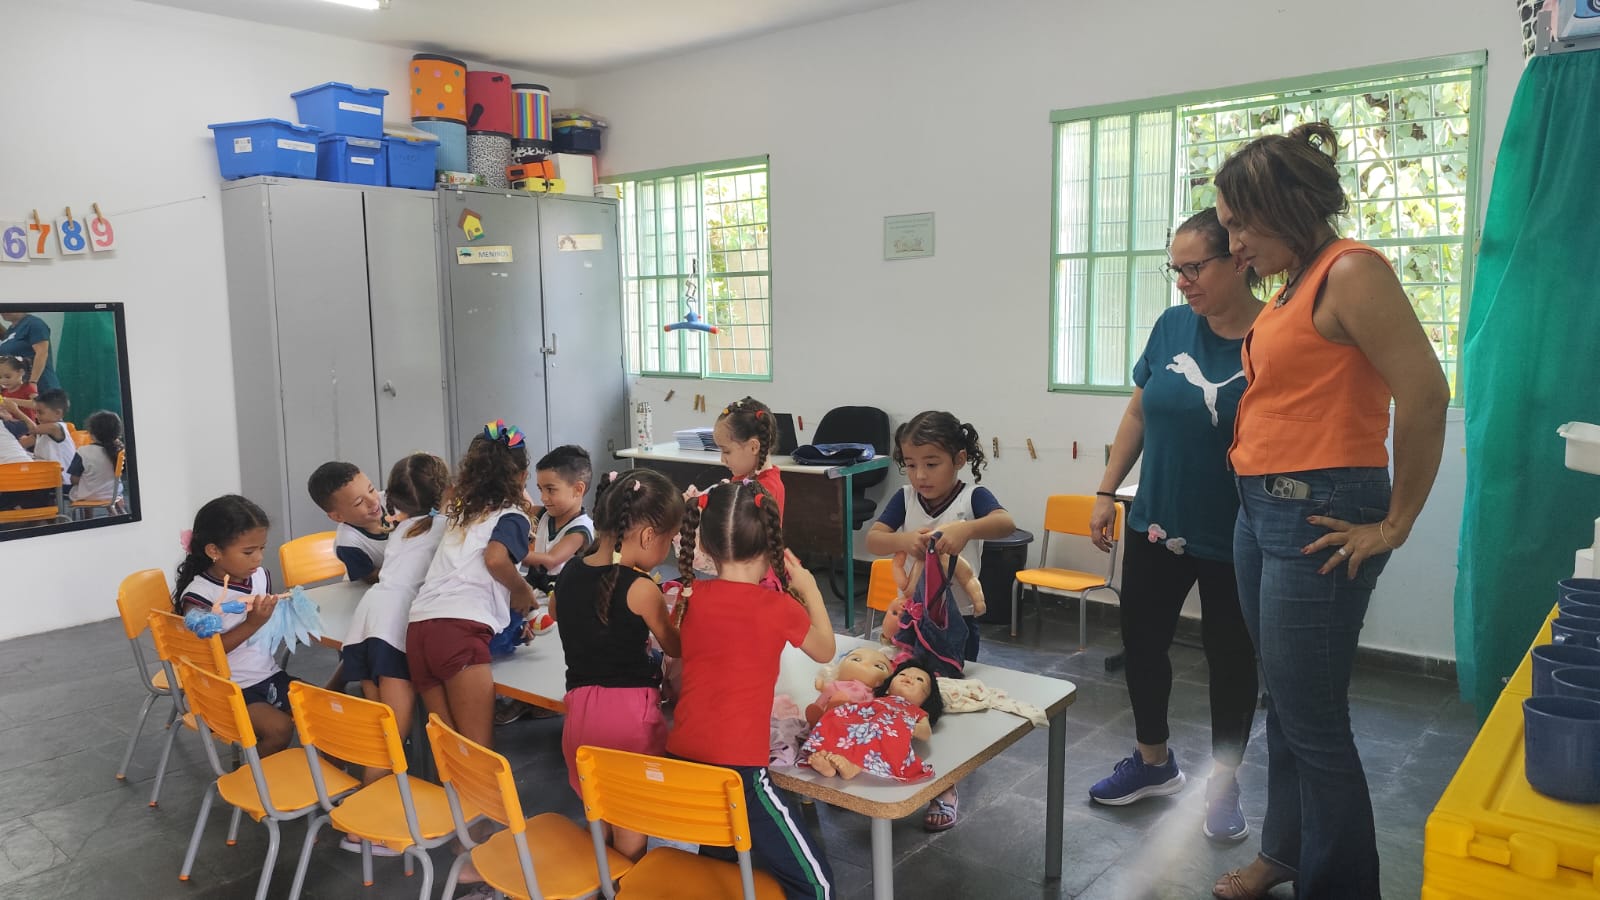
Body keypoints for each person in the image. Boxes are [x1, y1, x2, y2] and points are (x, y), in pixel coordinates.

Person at [1209, 123, 1449, 900]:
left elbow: (1425, 392)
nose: (1234, 243)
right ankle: (1284, 853)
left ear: (1289, 205)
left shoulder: (1351, 272)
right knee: (1287, 701)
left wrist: (1395, 524)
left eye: (1242, 223)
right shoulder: (1294, 284)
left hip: (1319, 512)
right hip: (1261, 510)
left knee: (1314, 722)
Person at [1085, 208, 1264, 844]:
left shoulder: (1271, 335)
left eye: (1194, 267)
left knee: (1231, 659)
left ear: (1239, 260)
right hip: (1158, 522)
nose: (1183, 281)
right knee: (1142, 644)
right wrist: (1108, 490)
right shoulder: (1170, 327)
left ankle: (1224, 782)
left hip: (1237, 532)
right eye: (1176, 268)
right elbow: (1139, 411)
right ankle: (1153, 763)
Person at [669, 479, 836, 900]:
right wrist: (811, 589)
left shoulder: (688, 598)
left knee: (719, 860)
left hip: (684, 756)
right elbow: (825, 649)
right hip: (739, 769)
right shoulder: (778, 607)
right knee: (817, 884)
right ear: (771, 545)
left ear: (705, 544)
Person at [864, 409, 1014, 832]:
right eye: (911, 465)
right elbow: (875, 539)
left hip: (955, 627)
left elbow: (1006, 522)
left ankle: (946, 786)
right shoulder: (905, 499)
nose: (920, 476)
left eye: (932, 464)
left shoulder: (972, 497)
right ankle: (890, 760)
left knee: (945, 705)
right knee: (903, 696)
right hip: (912, 623)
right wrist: (902, 540)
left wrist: (968, 531)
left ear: (959, 459)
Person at [552, 468, 683, 859]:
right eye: (670, 540)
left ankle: (604, 883)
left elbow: (561, 614)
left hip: (579, 715)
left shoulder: (570, 573)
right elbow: (675, 645)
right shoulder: (642, 589)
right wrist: (683, 613)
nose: (670, 549)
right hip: (627, 720)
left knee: (600, 812)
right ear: (647, 536)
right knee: (631, 823)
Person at [406, 422, 537, 751]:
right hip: (458, 634)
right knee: (478, 751)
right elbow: (495, 560)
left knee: (451, 749)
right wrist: (522, 591)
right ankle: (482, 805)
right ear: (522, 477)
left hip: (419, 629)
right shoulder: (512, 517)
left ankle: (453, 804)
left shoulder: (461, 514)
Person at [338, 453, 449, 794]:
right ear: (445, 492)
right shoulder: (445, 527)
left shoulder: (402, 529)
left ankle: (367, 801)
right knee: (391, 735)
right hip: (396, 625)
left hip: (367, 621)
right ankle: (368, 822)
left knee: (379, 727)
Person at [173, 495, 293, 755]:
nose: (258, 559)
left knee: (324, 713)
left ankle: (328, 787)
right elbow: (205, 657)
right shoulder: (201, 595)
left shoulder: (259, 577)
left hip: (267, 675)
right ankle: (254, 783)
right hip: (226, 689)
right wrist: (253, 624)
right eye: (249, 552)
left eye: (262, 548)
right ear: (214, 551)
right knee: (280, 729)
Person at [308, 461, 390, 584]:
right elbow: (371, 577)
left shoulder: (395, 499)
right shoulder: (348, 543)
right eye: (359, 502)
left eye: (371, 489)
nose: (373, 501)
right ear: (338, 516)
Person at [714, 396, 785, 513]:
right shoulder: (743, 476)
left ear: (753, 447)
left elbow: (734, 523)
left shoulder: (767, 489)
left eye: (726, 451)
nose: (722, 460)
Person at [67, 410, 122, 507]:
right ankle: (114, 512)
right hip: (114, 493)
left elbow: (74, 480)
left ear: (91, 433)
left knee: (78, 488)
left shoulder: (82, 451)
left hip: (89, 496)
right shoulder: (119, 451)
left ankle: (87, 518)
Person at [0, 312, 59, 393]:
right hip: (20, 389)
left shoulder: (34, 324)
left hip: (40, 387)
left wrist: (32, 382)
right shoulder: (11, 330)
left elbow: (42, 353)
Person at [28, 390, 76, 487]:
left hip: (62, 483)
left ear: (58, 413)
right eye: (36, 412)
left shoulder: (56, 427)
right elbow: (21, 444)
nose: (36, 416)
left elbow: (32, 429)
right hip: (47, 478)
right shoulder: (43, 430)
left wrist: (15, 411)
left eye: (40, 412)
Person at [0, 356, 37, 423]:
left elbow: (37, 404)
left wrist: (12, 401)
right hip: (10, 427)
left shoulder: (27, 387)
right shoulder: (3, 392)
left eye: (8, 377)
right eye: (0, 378)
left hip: (27, 427)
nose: (3, 381)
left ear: (21, 372)